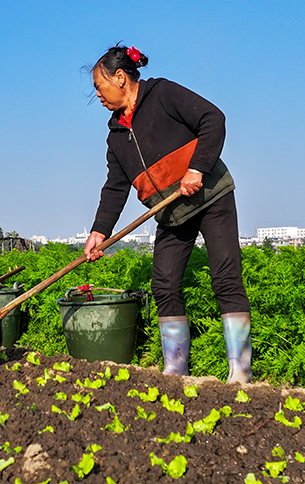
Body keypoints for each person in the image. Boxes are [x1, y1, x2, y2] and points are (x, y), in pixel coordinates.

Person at [83, 44, 252, 384]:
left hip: (211, 196)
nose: (97, 96)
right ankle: (175, 370)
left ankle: (241, 372)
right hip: (172, 214)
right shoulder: (116, 135)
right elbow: (116, 187)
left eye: (99, 88)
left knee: (225, 277)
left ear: (120, 78)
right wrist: (99, 231)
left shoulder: (162, 94)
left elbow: (212, 119)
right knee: (163, 284)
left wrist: (197, 168)